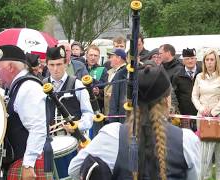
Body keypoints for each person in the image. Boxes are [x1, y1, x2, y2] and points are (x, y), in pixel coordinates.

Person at [68, 65, 200, 180]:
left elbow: (74, 170)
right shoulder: (187, 140)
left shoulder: (111, 135)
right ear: (166, 100)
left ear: (130, 101)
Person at [0, 45, 52, 179]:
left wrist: (28, 165)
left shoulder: (28, 87)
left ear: (10, 67)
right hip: (19, 160)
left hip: (26, 163)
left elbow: (37, 128)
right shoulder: (16, 87)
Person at [192, 49, 220, 180]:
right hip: (202, 117)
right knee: (204, 151)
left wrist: (213, 112)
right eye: (207, 60)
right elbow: (194, 96)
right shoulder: (199, 77)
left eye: (212, 60)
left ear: (216, 61)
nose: (209, 62)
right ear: (203, 62)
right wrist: (202, 109)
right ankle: (204, 176)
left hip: (219, 117)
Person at [45, 45, 94, 133]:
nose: (55, 69)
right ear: (47, 65)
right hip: (50, 142)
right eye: (51, 65)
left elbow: (88, 114)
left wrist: (78, 126)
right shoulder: (42, 86)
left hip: (73, 139)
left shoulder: (77, 84)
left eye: (59, 64)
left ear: (65, 64)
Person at [172, 48, 201, 131]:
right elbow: (175, 95)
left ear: (196, 60)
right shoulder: (177, 76)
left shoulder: (203, 73)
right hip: (184, 115)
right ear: (183, 61)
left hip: (201, 113)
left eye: (192, 58)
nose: (190, 61)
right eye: (187, 59)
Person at [85, 44, 108, 138]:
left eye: (95, 55)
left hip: (96, 106)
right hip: (81, 106)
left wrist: (98, 92)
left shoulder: (102, 70)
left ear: (99, 57)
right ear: (86, 55)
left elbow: (105, 88)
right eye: (91, 55)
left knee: (95, 135)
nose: (93, 58)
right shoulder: (81, 68)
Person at [107, 48, 127, 123]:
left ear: (119, 58)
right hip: (110, 114)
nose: (110, 59)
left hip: (118, 117)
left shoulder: (123, 73)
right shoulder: (111, 72)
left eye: (112, 57)